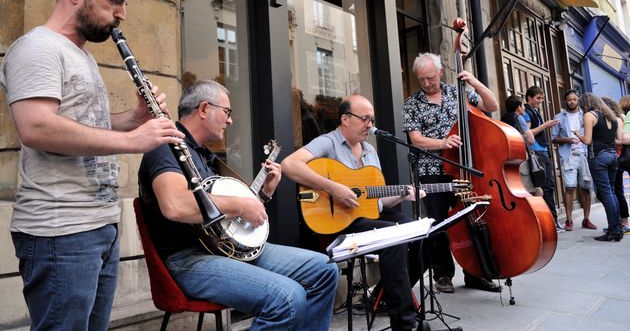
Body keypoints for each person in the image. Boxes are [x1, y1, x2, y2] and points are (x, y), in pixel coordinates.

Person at [0, 0, 185, 330]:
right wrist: (135, 139)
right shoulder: (38, 49)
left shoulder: (81, 56)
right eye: (114, 1)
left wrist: (131, 120)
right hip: (60, 229)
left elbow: (86, 126)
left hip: (98, 223)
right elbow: (37, 128)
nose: (123, 15)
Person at [138, 80, 339, 331]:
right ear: (203, 109)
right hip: (190, 258)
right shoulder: (165, 146)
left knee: (325, 270)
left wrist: (263, 195)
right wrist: (241, 205)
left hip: (227, 250)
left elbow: (225, 219)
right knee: (288, 298)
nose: (230, 121)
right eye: (227, 112)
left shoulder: (205, 156)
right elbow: (175, 205)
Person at [282, 94, 423, 331]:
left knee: (419, 233)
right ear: (345, 119)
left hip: (367, 217)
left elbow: (377, 202)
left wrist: (402, 195)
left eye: (372, 119)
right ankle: (404, 324)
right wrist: (333, 188)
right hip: (341, 222)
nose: (370, 124)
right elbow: (290, 164)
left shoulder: (369, 150)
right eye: (365, 118)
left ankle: (384, 295)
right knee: (393, 236)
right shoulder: (328, 142)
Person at [402, 52, 501, 294]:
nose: (426, 84)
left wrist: (474, 82)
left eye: (430, 78)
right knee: (438, 223)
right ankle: (443, 274)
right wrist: (443, 143)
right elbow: (415, 140)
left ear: (440, 73)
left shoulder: (458, 92)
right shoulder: (412, 104)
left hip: (463, 167)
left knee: (471, 219)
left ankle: (476, 273)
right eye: (421, 79)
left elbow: (492, 106)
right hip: (431, 170)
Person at [574, 93, 623, 241]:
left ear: (586, 104)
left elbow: (587, 141)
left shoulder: (590, 115)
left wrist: (577, 134)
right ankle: (617, 227)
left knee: (606, 194)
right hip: (612, 156)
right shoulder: (612, 117)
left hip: (599, 157)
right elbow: (618, 140)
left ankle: (614, 230)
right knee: (611, 192)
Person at [551, 90, 596, 231]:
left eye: (574, 99)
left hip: (583, 154)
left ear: (578, 100)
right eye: (569, 99)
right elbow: (553, 138)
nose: (572, 101)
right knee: (569, 187)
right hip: (568, 156)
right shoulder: (559, 117)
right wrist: (566, 139)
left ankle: (586, 219)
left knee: (586, 188)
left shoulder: (586, 116)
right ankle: (569, 220)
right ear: (565, 101)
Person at [523, 86, 562, 231]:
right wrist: (545, 125)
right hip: (537, 151)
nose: (541, 101)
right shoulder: (527, 112)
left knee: (549, 186)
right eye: (538, 98)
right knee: (544, 187)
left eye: (542, 98)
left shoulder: (533, 111)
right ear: (529, 98)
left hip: (542, 150)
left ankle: (552, 220)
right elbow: (528, 133)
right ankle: (550, 220)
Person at [500, 95, 542, 196]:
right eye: (523, 105)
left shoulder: (503, 119)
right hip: (522, 159)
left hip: (508, 160)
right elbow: (531, 140)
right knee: (534, 192)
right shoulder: (519, 118)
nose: (524, 108)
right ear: (518, 108)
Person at [602, 96, 630, 233]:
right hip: (619, 157)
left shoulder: (619, 119)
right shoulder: (623, 118)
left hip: (619, 157)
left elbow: (621, 139)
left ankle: (623, 222)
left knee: (617, 191)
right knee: (617, 191)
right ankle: (622, 222)